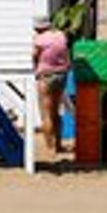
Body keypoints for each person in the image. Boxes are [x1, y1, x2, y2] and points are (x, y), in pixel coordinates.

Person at [32, 15, 70, 154]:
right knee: (56, 111)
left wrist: (35, 67)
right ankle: (59, 145)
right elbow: (67, 53)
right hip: (61, 75)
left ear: (37, 27)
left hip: (46, 76)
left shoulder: (39, 40)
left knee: (46, 113)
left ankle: (50, 147)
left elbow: (34, 56)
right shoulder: (61, 35)